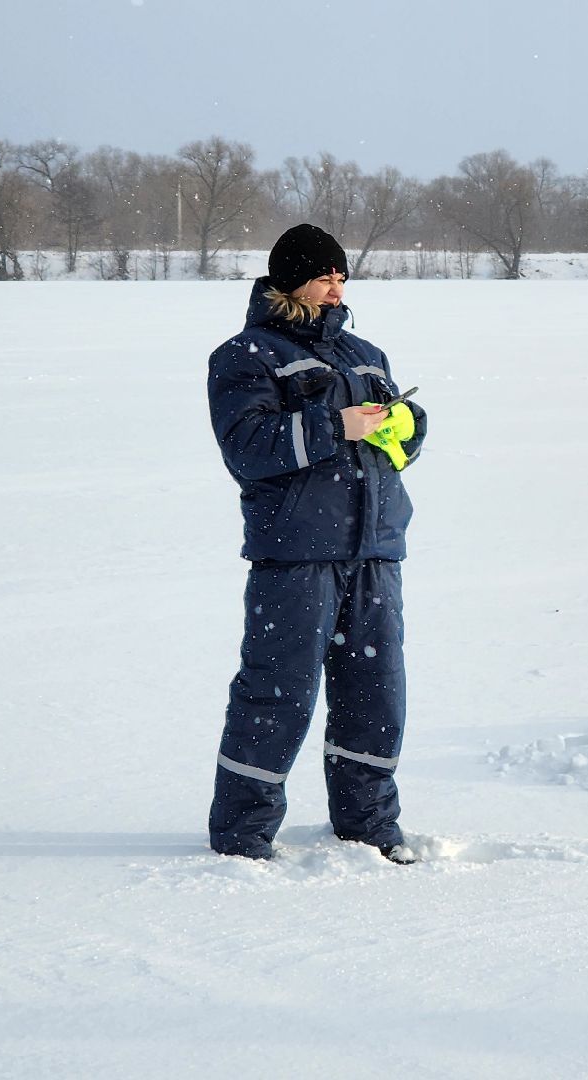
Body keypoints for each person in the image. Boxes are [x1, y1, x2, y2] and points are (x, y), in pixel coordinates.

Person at [205, 223, 427, 863]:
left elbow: (401, 447)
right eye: (326, 276)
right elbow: (246, 449)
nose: (338, 288)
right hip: (296, 556)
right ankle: (243, 837)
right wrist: (336, 424)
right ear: (290, 280)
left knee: (376, 693)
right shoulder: (246, 356)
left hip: (375, 552)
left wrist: (404, 428)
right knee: (276, 693)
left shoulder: (366, 354)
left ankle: (369, 825)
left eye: (342, 277)